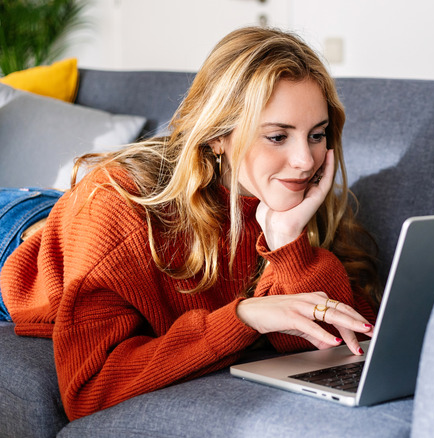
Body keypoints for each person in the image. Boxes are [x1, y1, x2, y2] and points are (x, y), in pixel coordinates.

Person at [0, 27, 380, 421]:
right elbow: (91, 389)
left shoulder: (286, 198)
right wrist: (245, 316)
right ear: (218, 136)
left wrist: (289, 245)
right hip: (16, 232)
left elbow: (346, 336)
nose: (305, 160)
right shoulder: (118, 210)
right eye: (278, 136)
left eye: (316, 135)